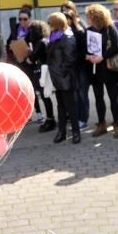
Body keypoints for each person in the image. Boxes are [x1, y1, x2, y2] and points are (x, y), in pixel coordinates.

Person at [85, 4, 118, 137]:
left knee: (113, 97)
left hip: (109, 68)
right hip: (95, 69)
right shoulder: (89, 30)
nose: (87, 18)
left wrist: (103, 56)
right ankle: (102, 124)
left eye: (89, 16)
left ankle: (117, 124)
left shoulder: (109, 28)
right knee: (98, 97)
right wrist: (89, 56)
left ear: (96, 17)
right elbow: (85, 49)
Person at [46, 12, 81, 144]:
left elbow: (70, 59)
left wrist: (60, 72)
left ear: (57, 24)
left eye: (50, 23)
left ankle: (76, 132)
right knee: (60, 105)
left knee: (70, 106)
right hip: (56, 77)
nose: (49, 25)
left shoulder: (68, 37)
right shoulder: (54, 36)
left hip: (65, 77)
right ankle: (62, 132)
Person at [25, 20, 57, 135]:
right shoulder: (43, 41)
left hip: (43, 72)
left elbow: (31, 59)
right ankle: (50, 118)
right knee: (45, 96)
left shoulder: (40, 43)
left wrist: (29, 54)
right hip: (45, 71)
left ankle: (50, 119)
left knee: (45, 96)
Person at [63, 7, 91, 130]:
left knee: (82, 93)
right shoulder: (65, 33)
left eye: (67, 19)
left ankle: (83, 120)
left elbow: (83, 51)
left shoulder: (79, 32)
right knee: (75, 94)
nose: (65, 21)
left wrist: (73, 59)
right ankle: (78, 119)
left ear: (71, 19)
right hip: (72, 68)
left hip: (81, 67)